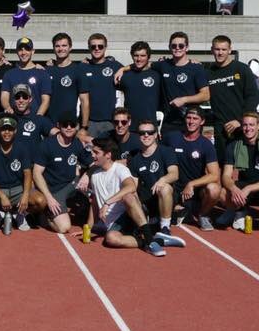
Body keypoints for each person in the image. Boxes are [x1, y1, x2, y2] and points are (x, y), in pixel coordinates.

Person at [87, 137, 158, 255]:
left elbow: (131, 187)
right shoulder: (94, 175)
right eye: (92, 152)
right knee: (111, 239)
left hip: (129, 215)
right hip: (114, 223)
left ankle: (149, 238)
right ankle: (148, 241)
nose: (92, 155)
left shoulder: (120, 169)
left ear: (108, 155)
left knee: (128, 196)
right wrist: (88, 228)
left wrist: (107, 202)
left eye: (96, 152)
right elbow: (94, 202)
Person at [0, 115, 43, 233]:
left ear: (15, 131)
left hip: (18, 188)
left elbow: (27, 174)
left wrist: (26, 195)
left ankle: (20, 215)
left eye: (10, 129)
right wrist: (2, 196)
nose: (7, 132)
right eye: (3, 129)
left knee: (41, 201)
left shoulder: (22, 148)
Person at [127, 119, 185, 253]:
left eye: (149, 132)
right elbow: (134, 185)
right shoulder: (135, 160)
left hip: (166, 196)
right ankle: (148, 223)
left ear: (155, 134)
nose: (146, 135)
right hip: (147, 200)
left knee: (164, 188)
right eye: (142, 133)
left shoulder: (166, 151)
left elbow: (174, 174)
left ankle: (165, 227)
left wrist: (162, 180)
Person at [218, 112, 259, 232]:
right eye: (245, 125)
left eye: (251, 125)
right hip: (242, 187)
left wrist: (249, 188)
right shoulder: (233, 145)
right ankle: (238, 212)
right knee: (222, 192)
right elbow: (226, 176)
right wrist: (233, 189)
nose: (248, 128)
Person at [33, 113, 92, 234]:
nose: (69, 127)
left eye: (72, 125)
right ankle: (45, 215)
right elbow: (36, 174)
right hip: (54, 190)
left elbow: (93, 164)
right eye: (65, 125)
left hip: (73, 184)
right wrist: (49, 198)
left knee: (95, 191)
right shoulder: (47, 145)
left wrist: (86, 175)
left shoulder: (77, 143)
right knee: (64, 227)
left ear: (76, 127)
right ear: (58, 126)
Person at [165, 107, 221, 231]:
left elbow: (214, 175)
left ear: (202, 122)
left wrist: (192, 184)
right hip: (174, 187)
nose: (191, 121)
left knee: (214, 189)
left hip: (195, 191)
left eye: (195, 118)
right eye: (189, 118)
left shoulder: (206, 144)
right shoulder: (171, 138)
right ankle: (180, 209)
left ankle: (203, 215)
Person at [206, 35, 258, 165]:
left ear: (230, 50)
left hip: (242, 127)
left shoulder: (242, 69)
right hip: (220, 128)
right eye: (217, 49)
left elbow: (252, 97)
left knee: (244, 165)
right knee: (223, 165)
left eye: (224, 49)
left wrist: (240, 120)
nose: (220, 52)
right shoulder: (208, 72)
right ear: (212, 50)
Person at [156, 32, 210, 136]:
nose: (177, 48)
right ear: (169, 47)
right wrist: (122, 69)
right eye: (174, 46)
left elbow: (206, 95)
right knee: (168, 151)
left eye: (181, 45)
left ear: (187, 48)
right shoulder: (163, 66)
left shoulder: (196, 68)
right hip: (169, 122)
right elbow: (144, 64)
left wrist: (184, 100)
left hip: (190, 122)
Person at [80, 33, 123, 138]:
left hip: (110, 122)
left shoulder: (115, 66)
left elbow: (135, 69)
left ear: (105, 47)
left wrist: (123, 69)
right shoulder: (82, 67)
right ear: (89, 48)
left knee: (109, 153)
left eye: (100, 46)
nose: (97, 49)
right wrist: (51, 62)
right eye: (93, 46)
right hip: (89, 122)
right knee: (90, 153)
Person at [0, 37, 52, 115]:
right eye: (20, 49)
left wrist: (38, 118)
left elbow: (46, 100)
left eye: (27, 49)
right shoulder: (9, 74)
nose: (23, 52)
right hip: (15, 120)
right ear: (17, 52)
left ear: (33, 51)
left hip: (35, 120)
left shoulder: (42, 74)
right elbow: (4, 97)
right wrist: (8, 108)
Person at [117, 41, 162, 127]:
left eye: (143, 56)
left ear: (148, 56)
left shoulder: (157, 75)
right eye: (136, 55)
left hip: (149, 126)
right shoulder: (124, 76)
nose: (139, 59)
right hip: (129, 126)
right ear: (132, 56)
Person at [46, 32, 89, 123]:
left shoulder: (78, 71)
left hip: (69, 125)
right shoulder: (46, 71)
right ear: (53, 48)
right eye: (57, 46)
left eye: (64, 45)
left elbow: (84, 100)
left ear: (70, 48)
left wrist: (84, 127)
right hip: (48, 123)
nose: (61, 49)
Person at [8, 83, 56, 154]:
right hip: (12, 162)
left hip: (32, 163)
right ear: (14, 99)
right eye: (17, 97)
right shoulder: (7, 118)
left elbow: (57, 134)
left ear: (30, 99)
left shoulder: (38, 119)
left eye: (24, 97)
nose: (21, 100)